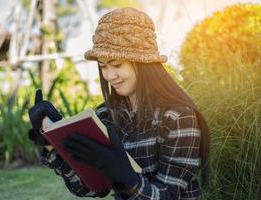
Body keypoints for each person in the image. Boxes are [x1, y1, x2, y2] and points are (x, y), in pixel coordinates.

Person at [28, 7, 210, 200]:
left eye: (116, 65)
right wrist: (53, 143)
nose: (109, 76)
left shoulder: (179, 117)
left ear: (143, 62)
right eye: (103, 66)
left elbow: (168, 195)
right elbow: (92, 188)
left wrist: (127, 178)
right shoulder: (105, 115)